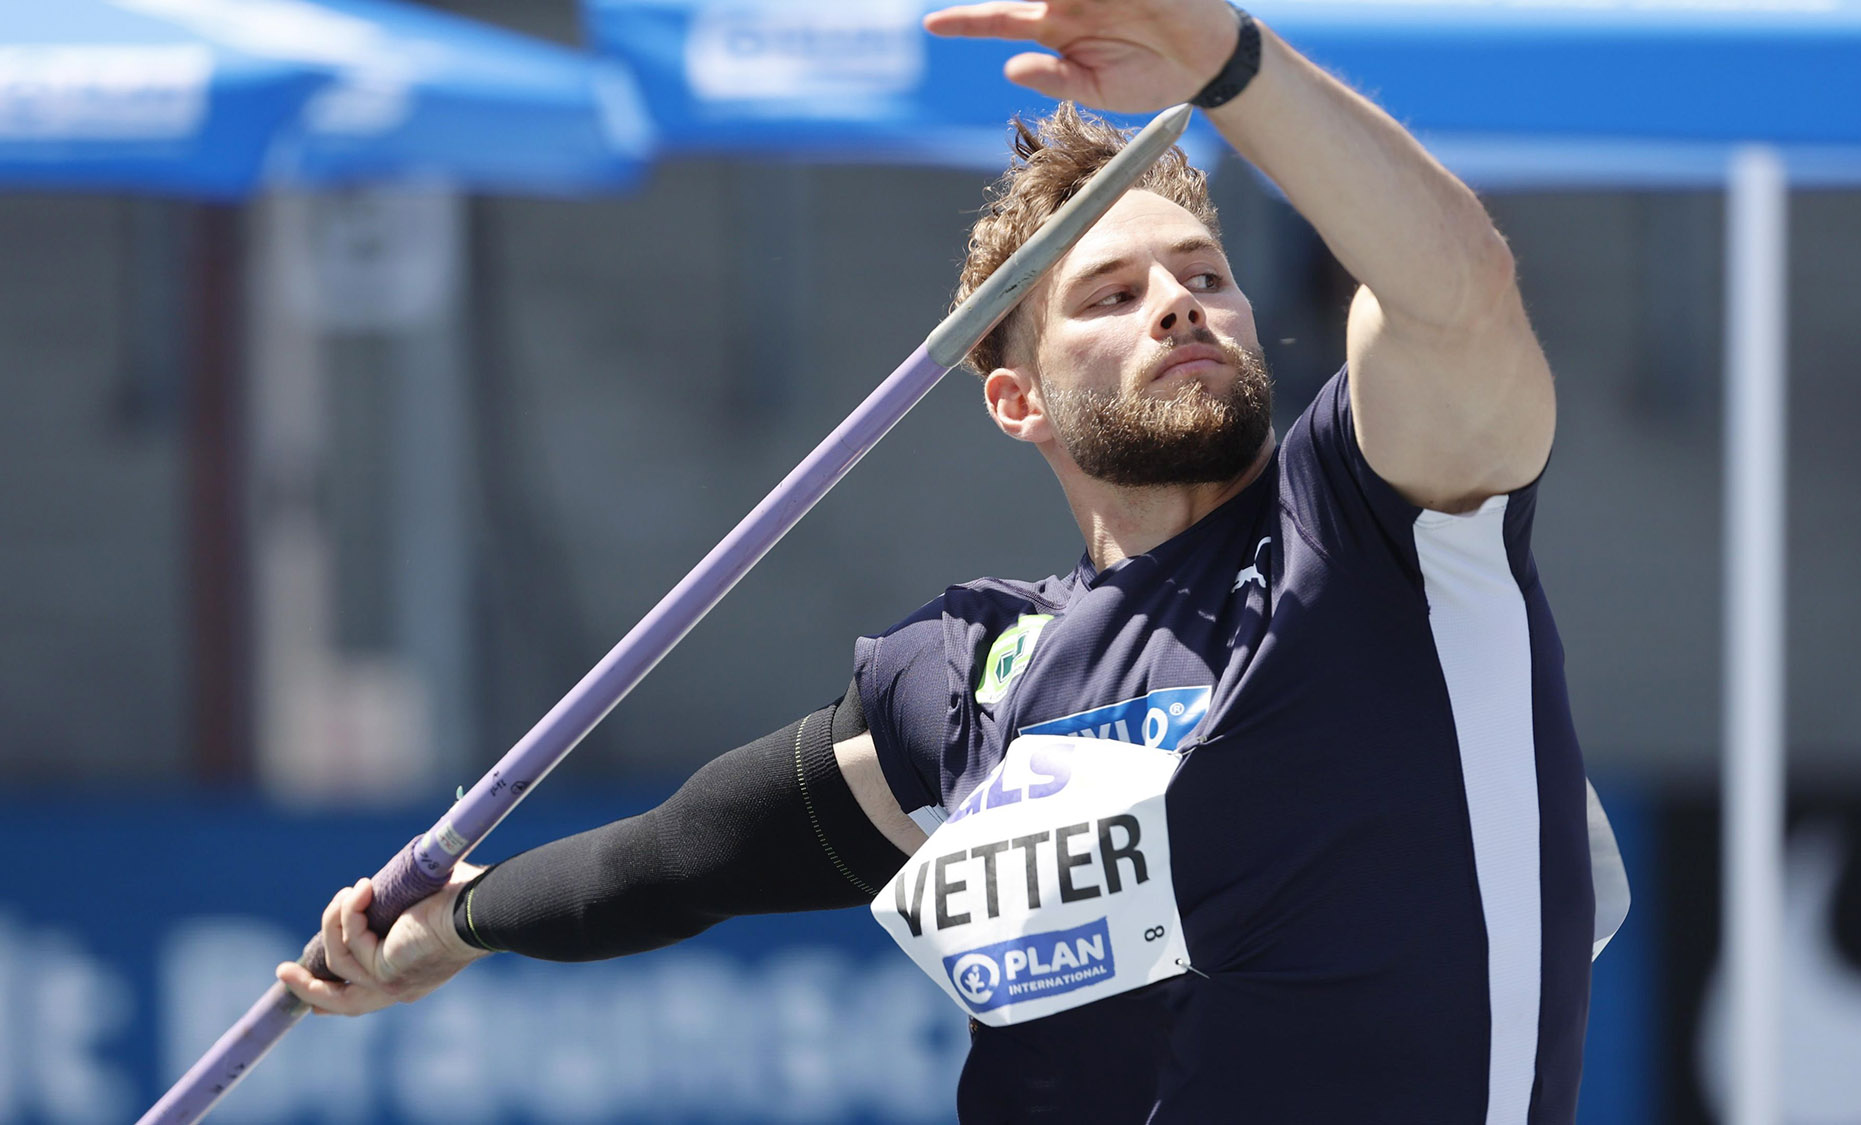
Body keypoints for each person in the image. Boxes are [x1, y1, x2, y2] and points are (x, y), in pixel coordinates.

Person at [281, 2, 1620, 1120]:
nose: (1178, 303)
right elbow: (695, 851)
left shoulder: (1380, 530)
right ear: (1017, 401)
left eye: (1205, 275)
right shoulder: (976, 669)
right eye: (1110, 296)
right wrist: (462, 922)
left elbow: (1458, 296)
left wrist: (1231, 67)